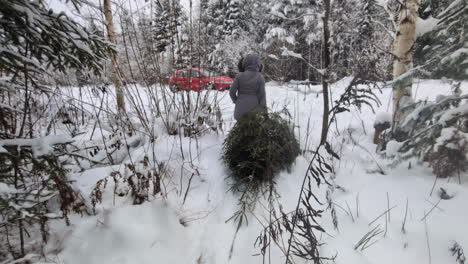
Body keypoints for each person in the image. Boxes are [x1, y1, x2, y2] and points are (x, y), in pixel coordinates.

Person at [229, 54, 266, 120]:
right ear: (258, 64)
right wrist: (264, 113)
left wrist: (236, 100)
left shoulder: (239, 76)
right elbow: (262, 97)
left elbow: (232, 92)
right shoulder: (260, 77)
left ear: (245, 63)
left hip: (240, 110)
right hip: (254, 111)